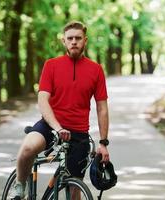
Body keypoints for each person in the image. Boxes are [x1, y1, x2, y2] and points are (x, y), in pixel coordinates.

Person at [13, 21, 110, 200]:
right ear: (63, 41)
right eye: (70, 38)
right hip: (50, 126)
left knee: (75, 190)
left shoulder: (95, 70)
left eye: (78, 38)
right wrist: (57, 127)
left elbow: (102, 108)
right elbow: (43, 100)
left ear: (85, 41)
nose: (74, 41)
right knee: (27, 148)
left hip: (78, 133)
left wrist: (103, 143)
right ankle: (20, 185)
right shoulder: (51, 65)